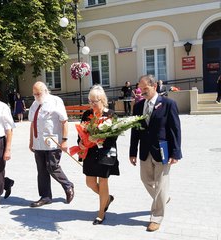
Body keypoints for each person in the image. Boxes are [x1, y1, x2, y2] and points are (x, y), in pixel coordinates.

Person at [129, 74, 182, 232]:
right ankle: (163, 197)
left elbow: (175, 130)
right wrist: (132, 152)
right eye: (140, 88)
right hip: (145, 150)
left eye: (146, 88)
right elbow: (135, 131)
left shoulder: (168, 104)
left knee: (161, 183)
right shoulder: (138, 106)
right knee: (145, 179)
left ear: (155, 87)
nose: (142, 92)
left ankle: (156, 217)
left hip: (163, 149)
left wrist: (176, 152)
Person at [78, 85, 120, 225]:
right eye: (89, 101)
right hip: (90, 153)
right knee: (90, 182)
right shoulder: (86, 114)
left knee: (103, 181)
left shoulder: (111, 115)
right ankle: (107, 199)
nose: (91, 104)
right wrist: (81, 144)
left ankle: (101, 213)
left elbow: (114, 136)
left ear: (102, 100)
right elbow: (81, 133)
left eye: (94, 101)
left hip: (105, 153)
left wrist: (100, 139)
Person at [28, 81, 74, 208]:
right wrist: (31, 141)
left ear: (45, 91)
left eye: (38, 93)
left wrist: (64, 140)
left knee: (52, 166)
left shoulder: (55, 101)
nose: (37, 96)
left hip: (52, 142)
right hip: (38, 143)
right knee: (41, 170)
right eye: (34, 94)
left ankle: (68, 185)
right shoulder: (34, 104)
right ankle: (45, 196)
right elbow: (32, 123)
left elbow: (64, 121)